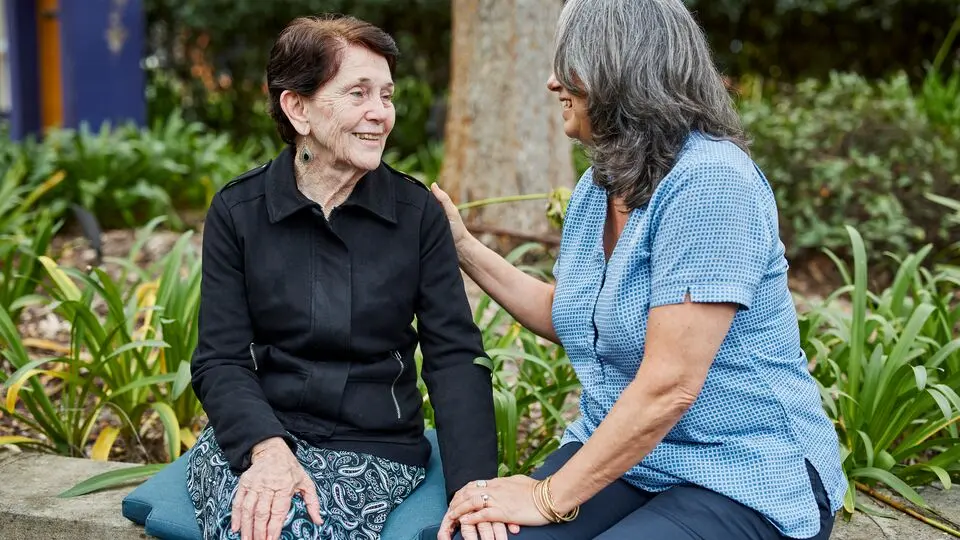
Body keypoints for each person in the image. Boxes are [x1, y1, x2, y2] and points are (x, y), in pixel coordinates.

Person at [432, 0, 848, 539]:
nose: (553, 81)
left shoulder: (710, 182)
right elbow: (574, 315)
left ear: (621, 68)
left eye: (572, 63)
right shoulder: (601, 186)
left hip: (743, 469)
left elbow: (670, 384)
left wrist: (545, 496)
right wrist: (462, 245)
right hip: (631, 457)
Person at [186, 15, 498, 540]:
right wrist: (267, 449)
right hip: (260, 438)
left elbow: (454, 358)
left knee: (295, 529)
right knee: (256, 523)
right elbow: (220, 358)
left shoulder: (416, 214)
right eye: (358, 93)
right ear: (297, 108)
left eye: (386, 95)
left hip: (374, 446)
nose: (381, 113)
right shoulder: (239, 212)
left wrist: (474, 489)